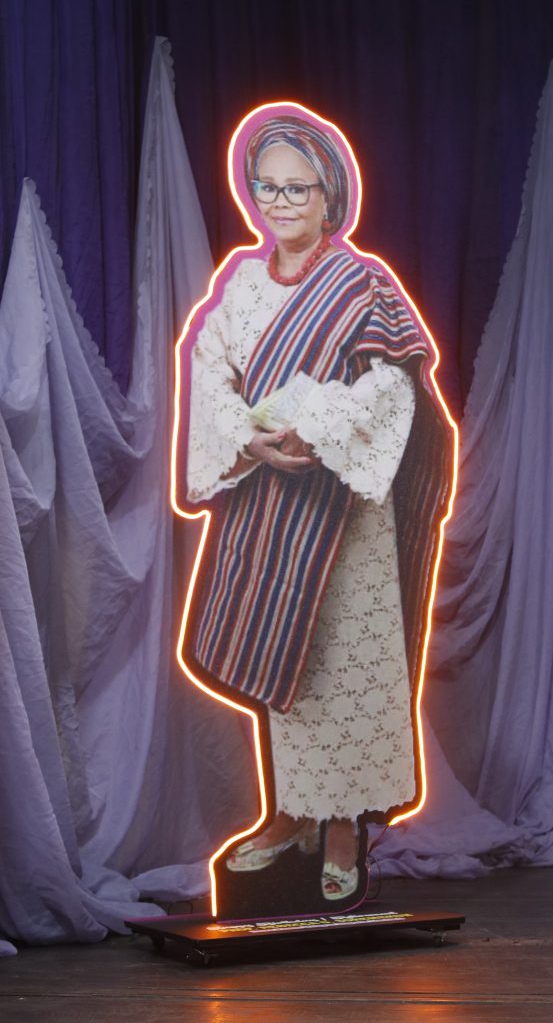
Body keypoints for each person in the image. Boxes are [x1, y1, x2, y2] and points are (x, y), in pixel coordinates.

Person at [183, 108, 450, 903]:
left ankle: (343, 825)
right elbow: (210, 371)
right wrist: (250, 437)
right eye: (266, 186)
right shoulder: (241, 283)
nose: (279, 201)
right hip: (268, 501)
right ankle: (293, 812)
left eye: (297, 188)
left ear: (330, 195)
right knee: (283, 658)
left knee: (344, 664)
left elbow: (391, 384)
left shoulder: (362, 281)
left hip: (344, 508)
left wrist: (321, 425)